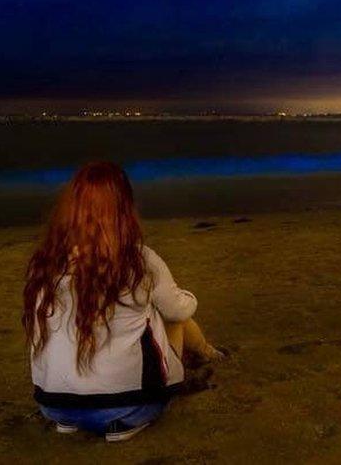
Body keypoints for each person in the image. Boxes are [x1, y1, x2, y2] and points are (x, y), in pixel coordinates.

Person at [22, 161, 224, 442]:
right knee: (170, 314)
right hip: (129, 405)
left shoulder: (44, 264)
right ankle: (207, 353)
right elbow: (180, 310)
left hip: (54, 404)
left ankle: (72, 417)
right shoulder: (139, 260)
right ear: (124, 209)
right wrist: (186, 296)